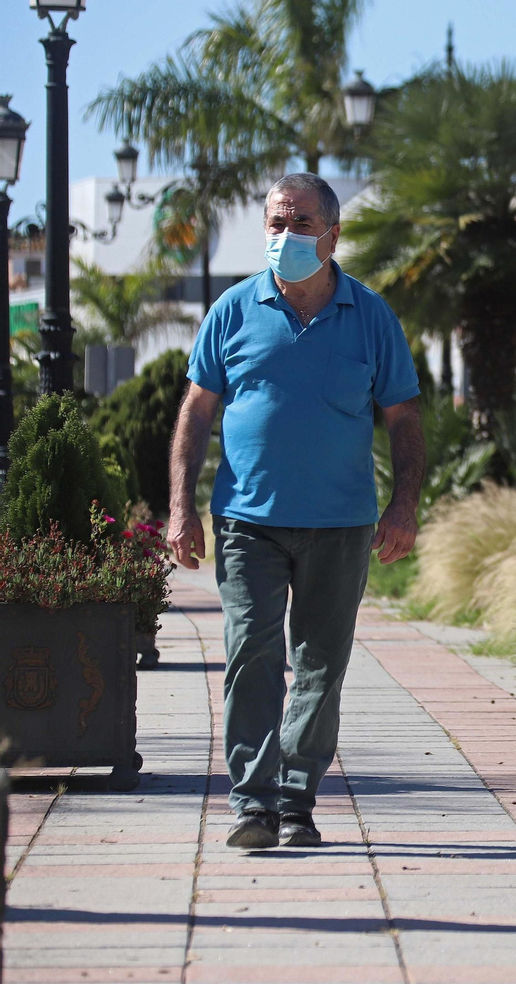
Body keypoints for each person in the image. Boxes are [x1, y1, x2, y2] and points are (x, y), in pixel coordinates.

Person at [166, 173, 424, 850]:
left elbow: (403, 418)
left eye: (301, 224)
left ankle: (296, 800)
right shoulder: (232, 310)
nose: (285, 237)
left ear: (333, 234)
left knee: (319, 665)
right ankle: (250, 803)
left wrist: (404, 504)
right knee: (252, 651)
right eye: (276, 224)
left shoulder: (371, 317)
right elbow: (196, 410)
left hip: (342, 523)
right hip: (247, 520)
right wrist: (181, 508)